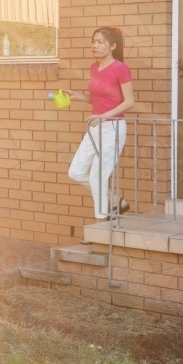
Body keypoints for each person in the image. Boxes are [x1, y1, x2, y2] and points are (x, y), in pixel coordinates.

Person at [65, 27, 136, 220]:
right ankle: (116, 202)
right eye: (93, 41)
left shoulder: (120, 68)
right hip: (95, 126)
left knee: (97, 176)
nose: (95, 46)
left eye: (100, 42)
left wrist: (105, 116)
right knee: (76, 172)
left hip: (112, 127)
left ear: (113, 46)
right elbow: (99, 98)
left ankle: (101, 223)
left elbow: (129, 101)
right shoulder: (94, 67)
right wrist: (79, 96)